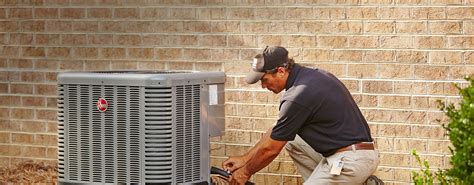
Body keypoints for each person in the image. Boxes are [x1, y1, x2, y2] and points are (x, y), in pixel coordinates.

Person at [222, 46, 379, 185]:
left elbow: (270, 149)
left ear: (281, 71)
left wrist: (245, 172)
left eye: (264, 80)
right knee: (290, 139)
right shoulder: (312, 76)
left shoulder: (297, 96)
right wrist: (245, 159)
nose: (263, 86)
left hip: (350, 162)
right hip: (354, 154)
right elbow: (276, 132)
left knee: (281, 140)